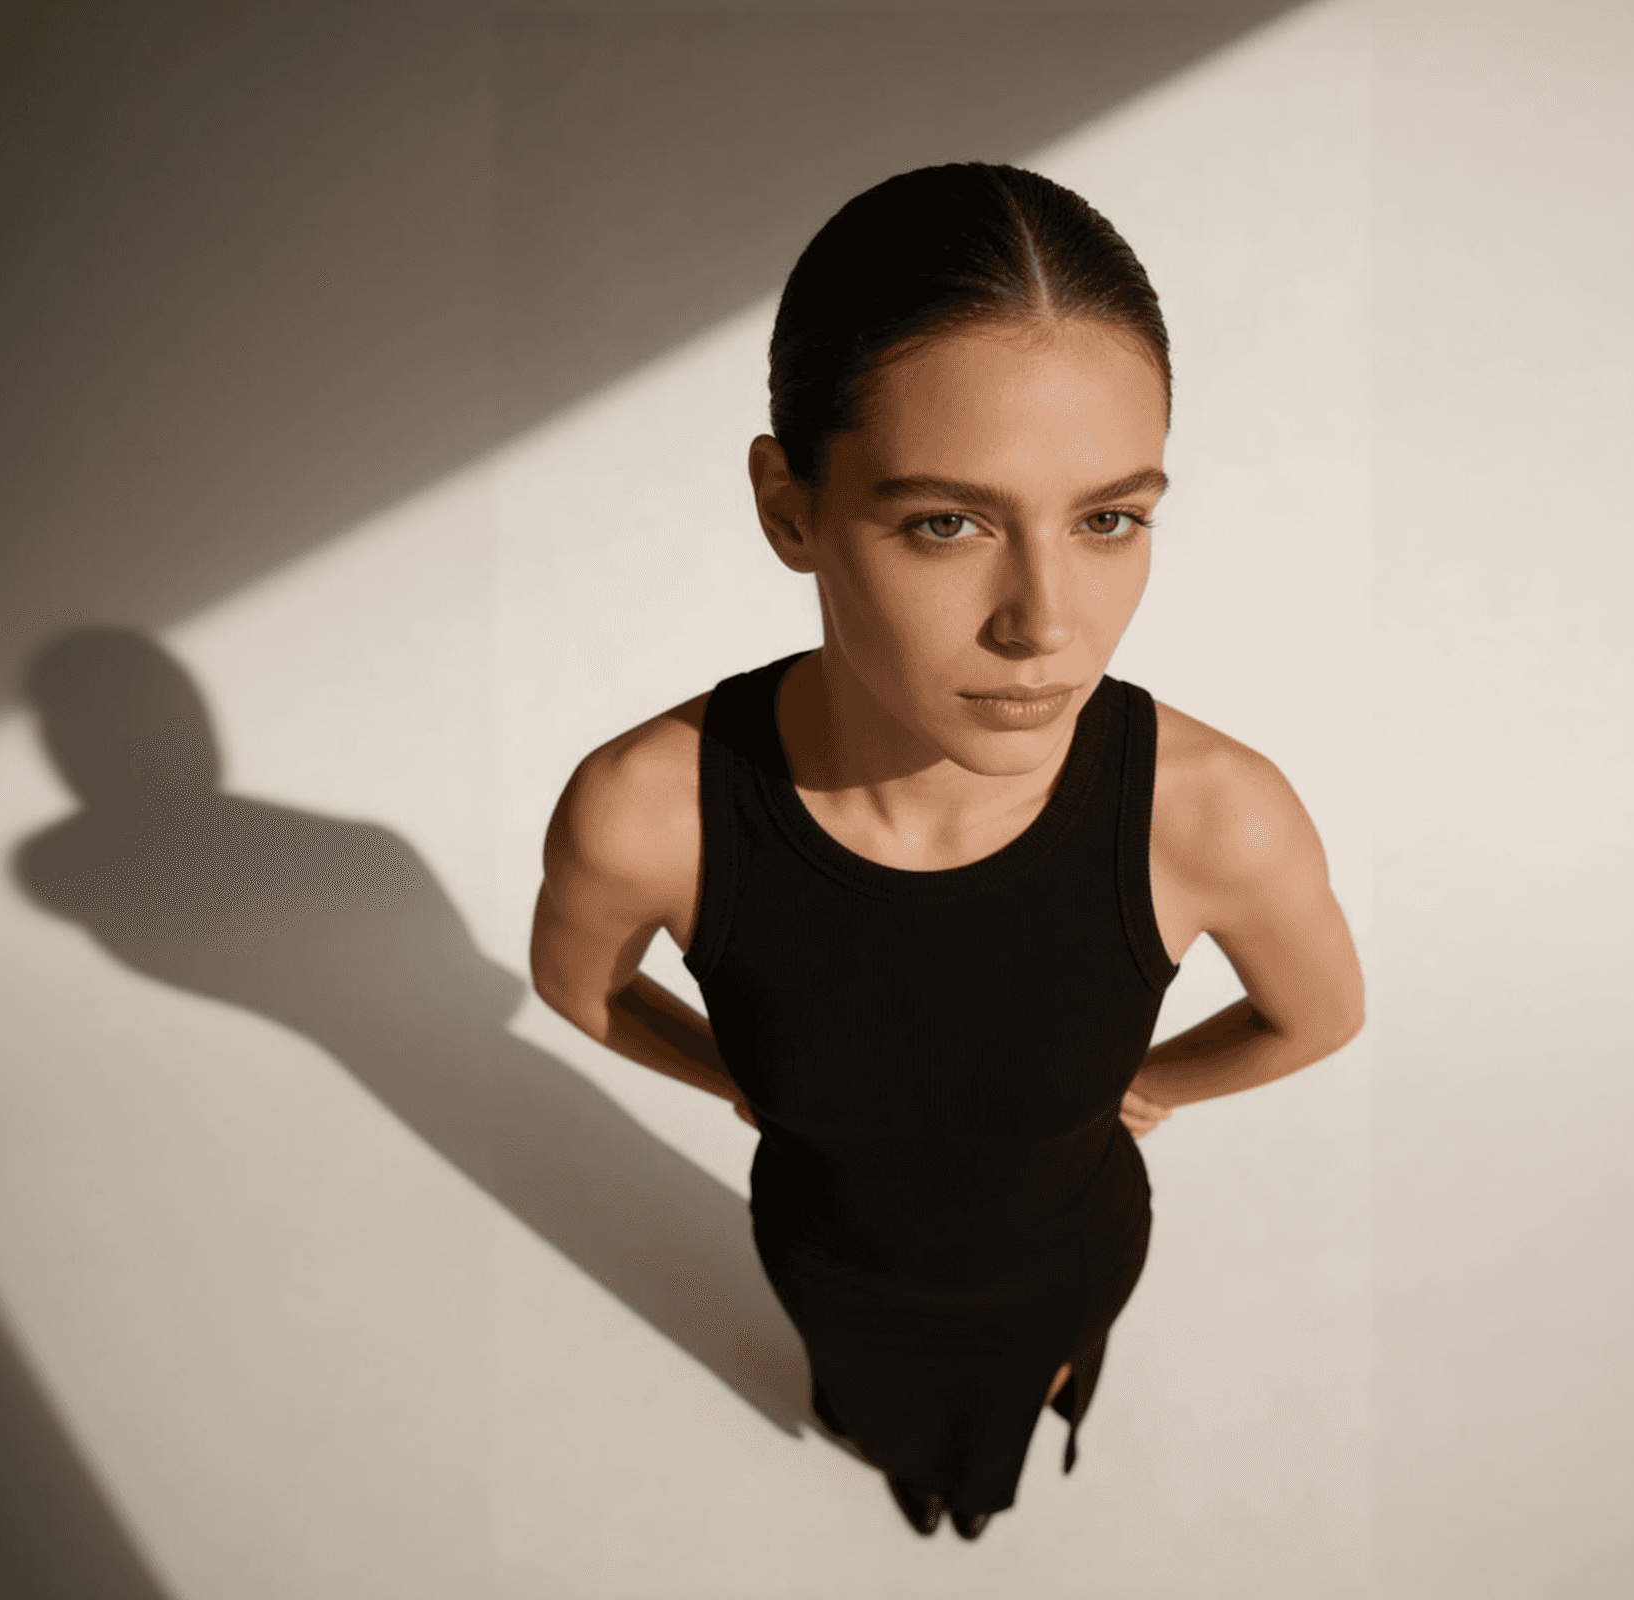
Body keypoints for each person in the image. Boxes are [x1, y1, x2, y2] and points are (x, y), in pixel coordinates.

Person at [529, 162, 1366, 1541]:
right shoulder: (648, 811)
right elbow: (579, 989)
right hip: (829, 1273)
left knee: (1021, 1421)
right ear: (789, 507)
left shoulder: (1216, 815)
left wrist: (1145, 1088)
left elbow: (1320, 1016)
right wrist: (743, 1080)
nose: (1047, 623)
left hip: (1070, 1261)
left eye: (1109, 518)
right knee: (873, 1423)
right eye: (946, 522)